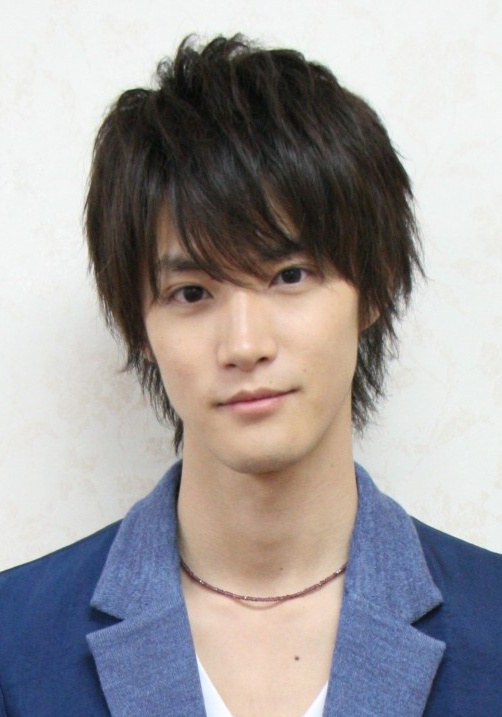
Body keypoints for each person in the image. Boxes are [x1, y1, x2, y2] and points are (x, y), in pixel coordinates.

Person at [0, 34, 500, 717]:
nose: (244, 344)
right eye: (192, 292)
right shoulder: (16, 643)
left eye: (289, 276)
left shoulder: (493, 621)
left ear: (375, 287)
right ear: (139, 325)